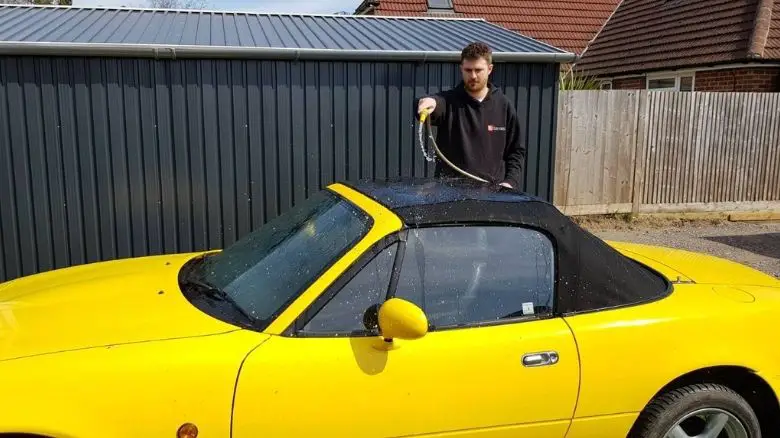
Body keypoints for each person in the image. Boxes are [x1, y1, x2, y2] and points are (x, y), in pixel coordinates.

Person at [416, 42, 526, 190]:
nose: (473, 75)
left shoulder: (503, 106)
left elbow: (516, 151)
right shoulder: (448, 102)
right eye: (468, 70)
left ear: (490, 69)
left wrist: (510, 182)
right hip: (450, 196)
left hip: (492, 197)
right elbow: (434, 104)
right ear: (461, 69)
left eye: (478, 70)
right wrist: (428, 102)